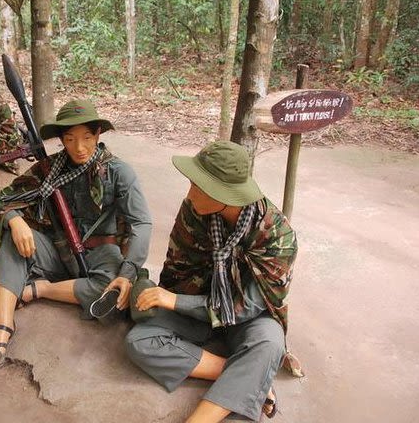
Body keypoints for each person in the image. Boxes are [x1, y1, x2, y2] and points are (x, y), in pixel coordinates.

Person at [125, 141, 298, 423]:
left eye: (199, 186)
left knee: (270, 343)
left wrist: (175, 301)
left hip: (245, 318)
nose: (190, 193)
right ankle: (250, 377)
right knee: (139, 340)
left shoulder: (278, 235)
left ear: (226, 194)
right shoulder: (193, 210)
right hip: (199, 310)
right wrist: (161, 299)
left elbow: (247, 307)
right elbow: (177, 269)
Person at [0, 100, 152, 367]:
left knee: (114, 294)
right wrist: (15, 220)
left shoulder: (118, 172)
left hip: (101, 253)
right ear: (61, 140)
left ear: (98, 135)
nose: (79, 147)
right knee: (13, 238)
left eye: (86, 137)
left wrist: (127, 273)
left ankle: (39, 290)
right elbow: (4, 200)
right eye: (70, 139)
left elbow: (141, 224)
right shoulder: (50, 168)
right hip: (57, 249)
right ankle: (3, 325)